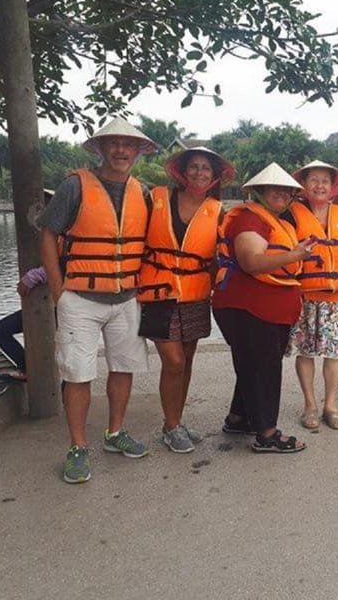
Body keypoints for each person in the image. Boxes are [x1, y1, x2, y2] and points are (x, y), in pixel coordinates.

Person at [38, 117, 158, 484]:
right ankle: (77, 446)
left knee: (123, 367)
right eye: (113, 144)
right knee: (78, 373)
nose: (121, 150)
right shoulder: (75, 186)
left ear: (138, 151)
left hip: (126, 298)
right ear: (102, 149)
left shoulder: (145, 192)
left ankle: (114, 432)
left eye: (128, 145)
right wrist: (59, 292)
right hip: (80, 299)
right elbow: (47, 234)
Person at [137, 147, 235, 453]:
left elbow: (224, 257)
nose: (200, 173)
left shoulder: (218, 211)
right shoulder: (156, 199)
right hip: (158, 292)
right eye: (194, 166)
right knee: (174, 362)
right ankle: (170, 426)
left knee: (188, 360)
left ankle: (176, 421)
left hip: (195, 293)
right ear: (183, 170)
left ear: (214, 175)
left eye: (206, 168)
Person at [213, 163, 312, 453]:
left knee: (251, 365)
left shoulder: (276, 220)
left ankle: (239, 418)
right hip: (250, 308)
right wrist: (295, 254)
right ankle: (267, 433)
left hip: (266, 309)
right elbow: (251, 261)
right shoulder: (249, 219)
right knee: (263, 369)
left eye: (287, 190)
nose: (282, 193)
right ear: (258, 191)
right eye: (274, 188)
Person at [286, 160, 338, 431]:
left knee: (334, 352)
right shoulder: (292, 214)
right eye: (313, 180)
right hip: (304, 295)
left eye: (325, 181)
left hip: (337, 297)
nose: (319, 186)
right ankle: (309, 406)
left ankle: (330, 405)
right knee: (305, 352)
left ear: (332, 186)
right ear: (304, 185)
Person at [0, 266, 48, 377]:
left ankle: (27, 370)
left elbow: (60, 265)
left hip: (56, 306)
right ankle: (27, 368)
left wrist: (33, 277)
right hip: (40, 305)